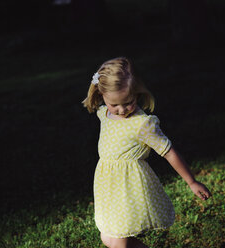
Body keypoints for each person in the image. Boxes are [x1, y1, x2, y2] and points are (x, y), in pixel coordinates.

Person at [82, 57, 211, 248]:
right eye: (114, 104)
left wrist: (191, 181)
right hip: (108, 187)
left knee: (119, 242)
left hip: (128, 188)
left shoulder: (142, 124)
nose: (122, 110)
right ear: (102, 95)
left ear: (137, 93)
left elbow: (169, 152)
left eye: (128, 102)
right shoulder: (104, 113)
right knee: (108, 238)